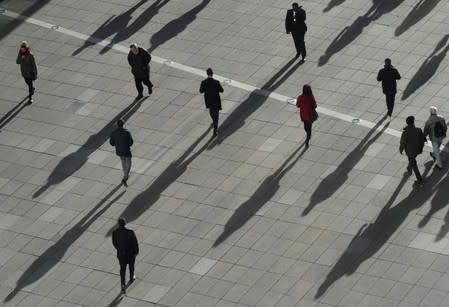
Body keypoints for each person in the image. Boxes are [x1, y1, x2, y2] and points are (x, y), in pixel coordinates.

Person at [112, 218, 139, 294]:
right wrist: (136, 251)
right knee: (131, 266)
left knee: (122, 269)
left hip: (121, 254)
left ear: (118, 224)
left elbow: (114, 243)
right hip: (130, 253)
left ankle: (123, 284)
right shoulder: (130, 232)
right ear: (125, 223)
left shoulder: (115, 233)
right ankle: (131, 278)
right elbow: (135, 242)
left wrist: (119, 249)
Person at [400, 116, 425, 186]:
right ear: (413, 122)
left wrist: (401, 150)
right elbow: (422, 139)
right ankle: (409, 168)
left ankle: (420, 180)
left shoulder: (405, 132)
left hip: (410, 151)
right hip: (417, 150)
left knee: (414, 164)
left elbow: (403, 143)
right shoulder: (418, 130)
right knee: (412, 160)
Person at [200, 68, 224, 137]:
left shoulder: (204, 82)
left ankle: (214, 124)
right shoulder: (216, 82)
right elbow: (221, 90)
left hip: (209, 102)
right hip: (216, 101)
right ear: (212, 74)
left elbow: (201, 91)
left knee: (212, 114)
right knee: (216, 116)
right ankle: (215, 129)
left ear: (207, 74)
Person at [110, 119, 133, 187]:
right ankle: (125, 178)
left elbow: (111, 143)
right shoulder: (127, 132)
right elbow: (131, 142)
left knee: (123, 162)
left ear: (117, 125)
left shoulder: (113, 133)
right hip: (126, 150)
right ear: (123, 124)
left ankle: (125, 175)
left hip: (119, 151)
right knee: (128, 164)